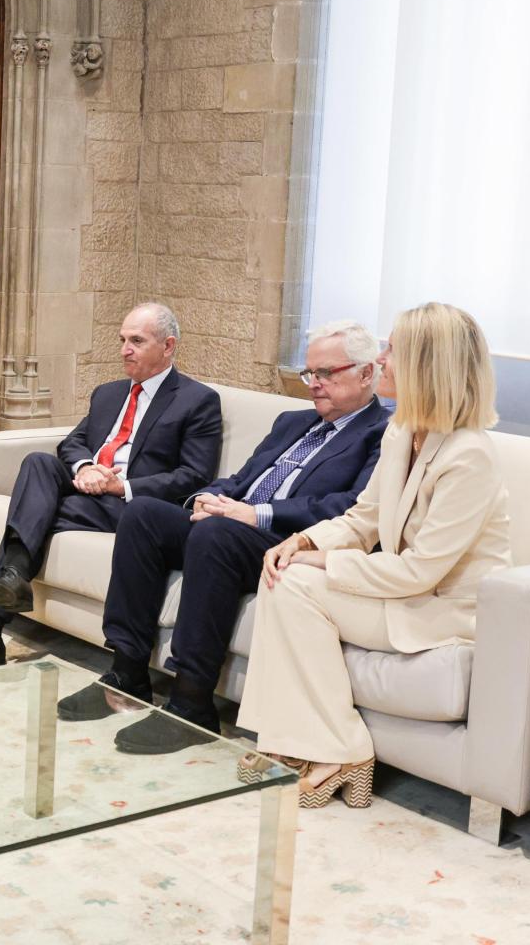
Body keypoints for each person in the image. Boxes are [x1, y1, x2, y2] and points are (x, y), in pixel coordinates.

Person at [58, 321, 392, 754]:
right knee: (142, 514)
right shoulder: (293, 422)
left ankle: (192, 701)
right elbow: (240, 479)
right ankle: (127, 672)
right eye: (310, 374)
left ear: (366, 374)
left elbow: (350, 507)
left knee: (217, 535)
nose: (314, 385)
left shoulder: (381, 433)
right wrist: (207, 498)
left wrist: (253, 514)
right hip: (231, 525)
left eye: (327, 373)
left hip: (289, 544)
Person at [237, 302, 511, 809]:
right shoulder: (403, 431)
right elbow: (365, 518)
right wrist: (305, 542)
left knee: (296, 583)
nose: (382, 359)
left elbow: (420, 571)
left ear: (427, 366)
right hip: (402, 590)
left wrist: (326, 563)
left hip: (439, 609)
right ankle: (299, 743)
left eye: (393, 350)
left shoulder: (470, 456)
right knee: (283, 571)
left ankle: (339, 750)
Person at [0, 302, 223, 676]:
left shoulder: (197, 401)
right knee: (38, 463)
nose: (124, 349)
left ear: (168, 346)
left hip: (131, 508)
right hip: (86, 488)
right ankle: (7, 589)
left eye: (137, 341)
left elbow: (194, 475)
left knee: (35, 515)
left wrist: (119, 485)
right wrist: (86, 466)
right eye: (122, 339)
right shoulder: (109, 393)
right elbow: (71, 444)